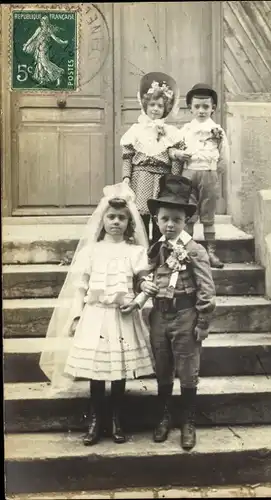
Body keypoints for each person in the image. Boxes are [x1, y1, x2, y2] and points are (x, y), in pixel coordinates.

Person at [39, 183, 154, 447]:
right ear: (102, 220)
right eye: (111, 217)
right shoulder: (91, 251)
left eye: (122, 218)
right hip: (95, 314)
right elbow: (81, 287)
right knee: (96, 369)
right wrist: (77, 315)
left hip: (121, 315)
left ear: (129, 222)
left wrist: (137, 301)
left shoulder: (135, 252)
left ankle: (116, 419)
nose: (116, 222)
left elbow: (144, 283)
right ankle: (96, 419)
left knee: (118, 368)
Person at [132, 174, 216, 451]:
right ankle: (164, 416)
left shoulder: (195, 250)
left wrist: (203, 321)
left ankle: (187, 421)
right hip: (159, 315)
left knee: (188, 369)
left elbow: (206, 289)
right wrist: (142, 282)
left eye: (177, 220)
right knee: (163, 367)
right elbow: (144, 275)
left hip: (185, 315)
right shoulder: (155, 249)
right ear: (156, 219)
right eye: (165, 219)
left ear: (186, 222)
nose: (170, 225)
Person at [169, 83, 230, 268]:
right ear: (190, 108)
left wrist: (213, 172)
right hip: (188, 174)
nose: (201, 110)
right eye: (197, 106)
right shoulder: (185, 130)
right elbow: (171, 149)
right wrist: (178, 154)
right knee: (188, 213)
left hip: (208, 174)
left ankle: (211, 252)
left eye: (206, 106)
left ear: (213, 108)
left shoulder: (217, 131)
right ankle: (186, 251)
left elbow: (225, 156)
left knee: (208, 214)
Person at [120, 72, 184, 243]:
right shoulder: (135, 130)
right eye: (152, 105)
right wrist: (126, 177)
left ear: (166, 109)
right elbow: (127, 156)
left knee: (160, 216)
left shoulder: (172, 133)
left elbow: (176, 159)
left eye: (160, 106)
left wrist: (175, 180)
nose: (155, 109)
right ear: (145, 106)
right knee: (141, 215)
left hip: (163, 178)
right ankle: (142, 249)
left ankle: (158, 249)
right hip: (141, 177)